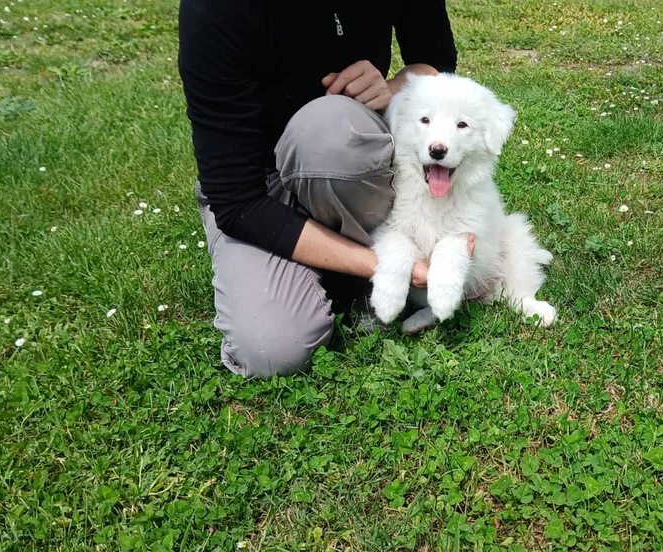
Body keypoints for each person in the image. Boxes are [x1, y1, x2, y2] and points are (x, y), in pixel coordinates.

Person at [178, 1, 465, 378]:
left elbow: (434, 61)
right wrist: (390, 268)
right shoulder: (216, 12)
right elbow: (238, 203)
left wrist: (394, 88)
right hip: (259, 189)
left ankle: (342, 268)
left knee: (328, 130)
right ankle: (353, 272)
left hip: (347, 157)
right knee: (270, 350)